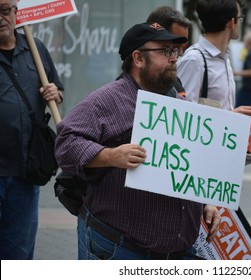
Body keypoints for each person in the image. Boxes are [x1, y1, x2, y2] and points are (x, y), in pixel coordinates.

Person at [54, 22, 221, 260]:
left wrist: (205, 201)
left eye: (174, 51)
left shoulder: (181, 108)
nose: (174, 58)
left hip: (177, 252)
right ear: (138, 59)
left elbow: (187, 167)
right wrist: (111, 156)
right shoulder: (106, 100)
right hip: (120, 247)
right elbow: (66, 144)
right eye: (164, 51)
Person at [0, 0, 63, 260]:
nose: (0, 18)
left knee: (19, 253)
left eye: (4, 11)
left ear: (16, 12)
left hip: (25, 172)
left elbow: (56, 91)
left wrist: (54, 93)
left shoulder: (35, 49)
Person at [177, 0, 251, 117]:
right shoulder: (194, 60)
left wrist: (234, 116)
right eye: (240, 18)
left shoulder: (224, 58)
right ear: (231, 23)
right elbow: (181, 113)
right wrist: (230, 116)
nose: (240, 22)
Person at [146, 6, 192, 99]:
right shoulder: (121, 93)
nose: (180, 53)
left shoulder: (173, 82)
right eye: (176, 45)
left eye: (184, 46)